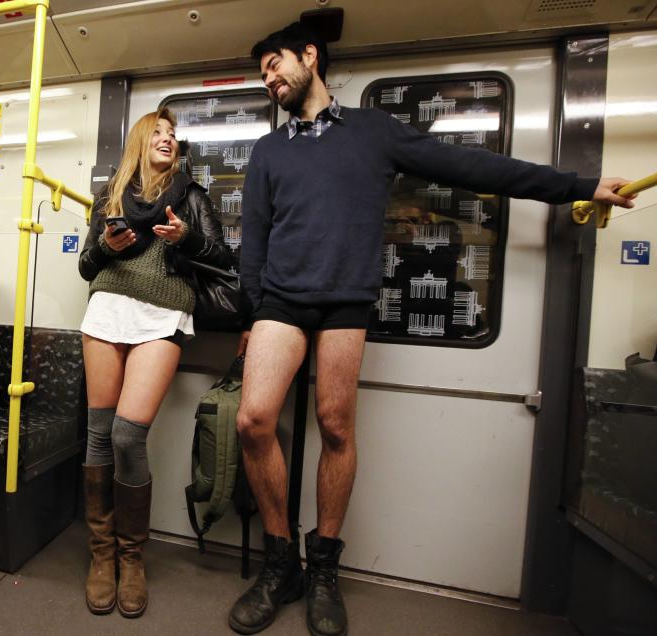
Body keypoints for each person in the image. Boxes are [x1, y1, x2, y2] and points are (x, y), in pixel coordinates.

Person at [228, 23, 636, 636]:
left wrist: (576, 186)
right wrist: (252, 313)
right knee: (253, 418)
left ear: (310, 58)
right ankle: (279, 559)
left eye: (275, 64)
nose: (270, 78)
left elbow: (469, 166)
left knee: (336, 426)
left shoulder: (372, 131)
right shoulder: (269, 151)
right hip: (280, 303)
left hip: (345, 302)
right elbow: (253, 239)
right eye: (262, 72)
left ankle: (323, 570)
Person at [78, 108, 232, 618]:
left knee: (127, 434)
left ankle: (132, 556)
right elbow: (86, 266)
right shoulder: (111, 196)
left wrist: (184, 238)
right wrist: (107, 244)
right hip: (107, 309)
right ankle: (103, 556)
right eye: (159, 133)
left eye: (173, 135)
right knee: (99, 432)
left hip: (163, 313)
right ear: (141, 141)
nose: (168, 140)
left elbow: (222, 255)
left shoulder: (189, 193)